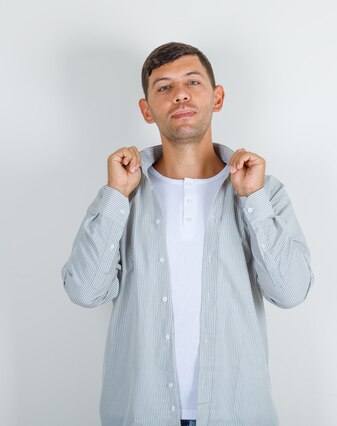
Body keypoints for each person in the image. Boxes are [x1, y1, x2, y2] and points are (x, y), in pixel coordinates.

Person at [62, 42, 314, 426]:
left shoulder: (264, 190)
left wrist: (253, 199)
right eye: (163, 87)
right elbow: (84, 291)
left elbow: (291, 292)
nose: (179, 93)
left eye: (192, 81)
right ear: (147, 110)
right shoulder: (121, 194)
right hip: (140, 413)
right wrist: (116, 195)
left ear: (218, 97)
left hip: (238, 412)